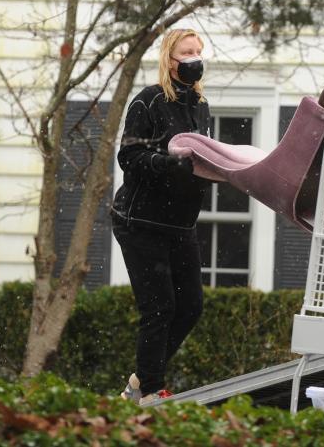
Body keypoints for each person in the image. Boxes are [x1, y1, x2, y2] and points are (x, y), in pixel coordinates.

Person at [110, 28, 212, 406]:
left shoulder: (200, 106)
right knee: (159, 307)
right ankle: (151, 390)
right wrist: (169, 164)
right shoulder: (148, 101)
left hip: (180, 224)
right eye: (187, 51)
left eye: (199, 51)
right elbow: (128, 157)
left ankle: (139, 378)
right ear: (170, 59)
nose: (195, 58)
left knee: (191, 307)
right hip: (140, 222)